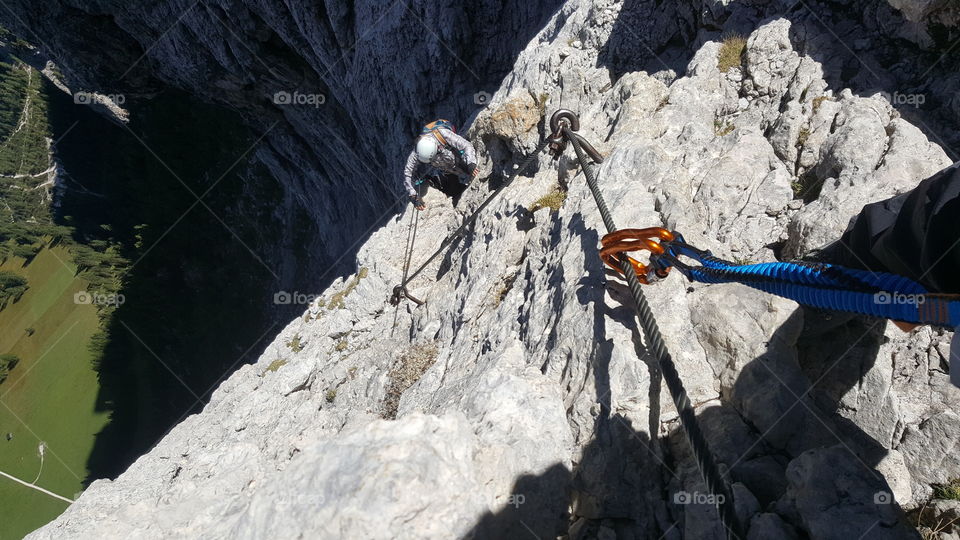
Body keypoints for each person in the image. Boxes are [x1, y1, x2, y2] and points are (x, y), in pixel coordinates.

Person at [403, 123, 479, 211]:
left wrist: (471, 164)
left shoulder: (442, 134)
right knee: (453, 191)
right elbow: (407, 174)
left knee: (465, 168)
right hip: (446, 170)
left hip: (459, 158)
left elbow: (466, 145)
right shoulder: (418, 152)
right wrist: (413, 195)